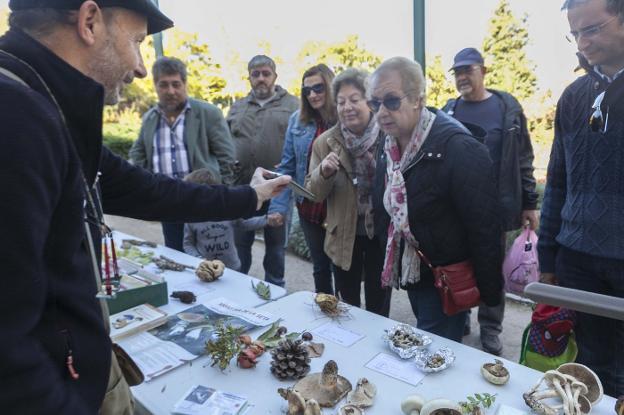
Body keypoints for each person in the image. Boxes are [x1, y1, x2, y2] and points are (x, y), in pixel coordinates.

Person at [0, 1, 289, 413]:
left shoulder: (47, 105)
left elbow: (150, 190)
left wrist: (250, 196)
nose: (139, 68)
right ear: (89, 21)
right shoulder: (16, 118)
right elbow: (8, 354)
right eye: (137, 42)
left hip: (83, 365)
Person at [369, 57, 503, 341]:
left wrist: (490, 292)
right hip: (415, 269)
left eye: (391, 101)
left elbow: (485, 226)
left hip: (446, 273)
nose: (381, 112)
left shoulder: (459, 148)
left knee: (433, 353)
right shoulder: (388, 143)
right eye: (374, 103)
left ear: (418, 99)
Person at [538, 0, 624, 396]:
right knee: (586, 367)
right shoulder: (573, 96)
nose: (582, 43)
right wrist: (547, 259)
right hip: (577, 261)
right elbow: (556, 181)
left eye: (591, 29)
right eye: (575, 33)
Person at [443, 47, 539, 355]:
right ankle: (462, 319)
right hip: (456, 207)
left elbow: (523, 158)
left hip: (494, 207)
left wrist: (529, 202)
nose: (462, 77)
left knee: (491, 269)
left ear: (483, 71)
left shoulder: (505, 107)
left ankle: (491, 327)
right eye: (457, 72)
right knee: (459, 265)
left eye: (467, 70)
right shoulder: (449, 110)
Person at [305, 68, 392, 316]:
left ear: (369, 102)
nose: (347, 107)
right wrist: (324, 172)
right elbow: (314, 193)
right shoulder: (326, 142)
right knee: (347, 306)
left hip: (380, 235)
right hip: (344, 236)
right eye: (341, 102)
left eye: (355, 100)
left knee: (379, 305)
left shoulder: (388, 137)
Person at [130, 56, 237, 252]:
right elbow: (138, 155)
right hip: (167, 202)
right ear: (155, 85)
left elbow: (227, 158)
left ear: (185, 84)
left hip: (201, 201)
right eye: (164, 85)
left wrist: (223, 197)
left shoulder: (208, 113)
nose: (171, 91)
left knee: (209, 258)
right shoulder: (150, 118)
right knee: (175, 254)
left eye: (176, 84)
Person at [227, 55, 299, 287]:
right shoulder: (237, 107)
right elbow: (225, 142)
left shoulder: (292, 105)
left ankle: (275, 289)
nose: (261, 79)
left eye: (265, 74)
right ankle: (238, 287)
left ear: (275, 76)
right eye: (255, 74)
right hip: (243, 189)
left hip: (278, 191)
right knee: (241, 246)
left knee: (276, 248)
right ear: (249, 77)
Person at [269, 64, 337, 294]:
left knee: (343, 268)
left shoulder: (344, 117)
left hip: (338, 206)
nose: (313, 95)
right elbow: (287, 166)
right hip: (309, 206)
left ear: (330, 86)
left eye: (318, 88)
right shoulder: (297, 120)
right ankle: (325, 312)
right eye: (307, 90)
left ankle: (347, 316)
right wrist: (278, 207)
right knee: (320, 267)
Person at [183, 168, 284, 271]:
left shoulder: (226, 210)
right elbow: (188, 244)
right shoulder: (192, 219)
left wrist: (266, 220)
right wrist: (199, 260)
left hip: (232, 267)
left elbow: (245, 223)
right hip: (207, 269)